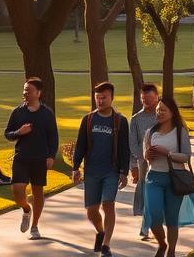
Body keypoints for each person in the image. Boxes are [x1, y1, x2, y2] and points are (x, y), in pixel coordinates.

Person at [72, 82, 131, 257]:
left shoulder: (120, 121)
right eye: (97, 97)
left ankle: (106, 245)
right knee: (91, 211)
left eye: (104, 97)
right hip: (91, 171)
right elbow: (80, 145)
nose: (100, 100)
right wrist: (76, 168)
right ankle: (100, 231)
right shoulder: (88, 119)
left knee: (108, 204)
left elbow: (123, 148)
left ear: (112, 97)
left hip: (111, 171)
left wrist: (124, 172)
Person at [5, 77, 59, 240]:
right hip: (21, 157)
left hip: (40, 158)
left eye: (28, 90)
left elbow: (53, 136)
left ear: (38, 93)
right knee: (17, 191)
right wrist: (18, 133)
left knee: (37, 192)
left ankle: (35, 227)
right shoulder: (18, 112)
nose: (25, 93)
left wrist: (51, 156)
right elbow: (8, 134)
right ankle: (26, 210)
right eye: (24, 90)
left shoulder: (47, 113)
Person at [142, 96, 194, 257]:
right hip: (154, 178)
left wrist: (168, 154)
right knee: (153, 216)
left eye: (163, 110)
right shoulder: (150, 132)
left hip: (174, 180)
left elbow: (186, 156)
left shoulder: (180, 132)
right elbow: (146, 156)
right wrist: (148, 154)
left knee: (172, 219)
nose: (159, 113)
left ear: (172, 112)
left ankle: (171, 251)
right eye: (158, 110)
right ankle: (162, 243)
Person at [129, 83, 160, 241]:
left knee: (158, 195)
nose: (146, 101)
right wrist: (134, 165)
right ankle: (145, 227)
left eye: (149, 98)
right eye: (143, 99)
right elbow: (132, 144)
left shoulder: (163, 116)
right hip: (143, 164)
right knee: (147, 194)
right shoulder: (136, 119)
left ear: (157, 97)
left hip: (163, 163)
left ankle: (154, 226)